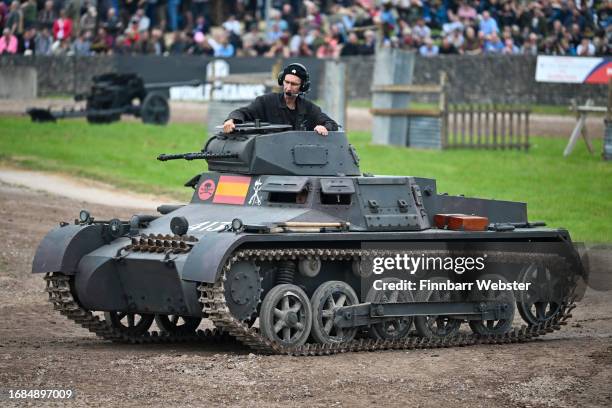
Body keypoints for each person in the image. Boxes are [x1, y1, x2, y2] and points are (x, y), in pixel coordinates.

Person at [223, 63, 338, 136]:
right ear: (281, 81)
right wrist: (231, 120)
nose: (288, 87)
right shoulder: (265, 102)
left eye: (294, 84)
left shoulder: (308, 108)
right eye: (286, 82)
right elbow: (242, 112)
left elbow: (332, 124)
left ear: (303, 87)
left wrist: (323, 127)